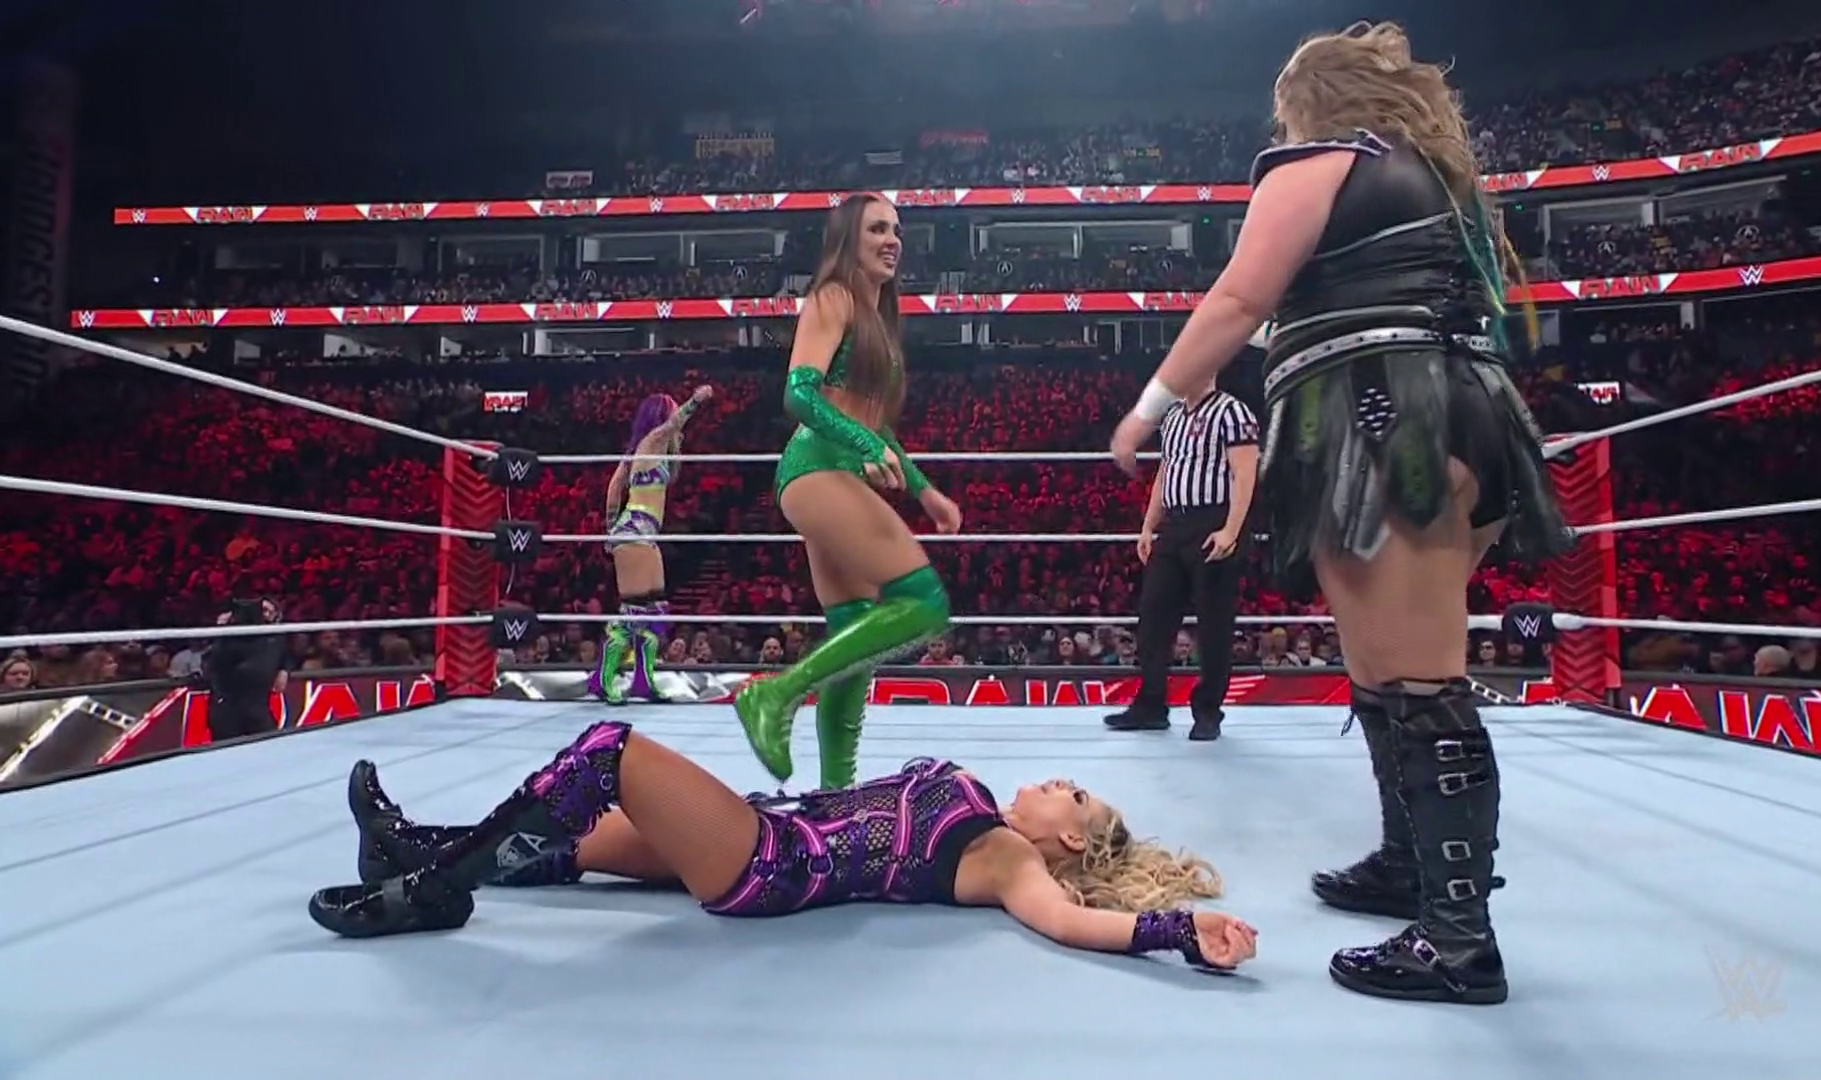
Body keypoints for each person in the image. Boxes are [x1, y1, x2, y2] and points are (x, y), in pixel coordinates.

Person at [1107, 22, 1573, 1006]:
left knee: (1420, 678)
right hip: (1459, 417)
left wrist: (1148, 408)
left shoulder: (1325, 161)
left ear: (1308, 101)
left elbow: (1238, 299)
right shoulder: (1438, 180)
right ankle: (1409, 866)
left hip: (1384, 420)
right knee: (1383, 667)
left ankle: (1459, 944)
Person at [306, 719, 1259, 974]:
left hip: (772, 861)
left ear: (1068, 839)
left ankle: (436, 891)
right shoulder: (991, 815)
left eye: (1075, 795)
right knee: (582, 843)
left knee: (608, 752)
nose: (1058, 782)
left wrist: (1177, 932)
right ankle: (405, 850)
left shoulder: (1006, 857)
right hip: (770, 821)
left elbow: (1063, 922)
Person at [732, 193, 964, 790]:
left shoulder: (876, 318)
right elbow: (799, 394)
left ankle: (837, 794)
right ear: (848, 241)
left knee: (855, 633)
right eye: (877, 229)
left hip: (834, 472)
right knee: (924, 602)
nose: (893, 240)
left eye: (897, 230)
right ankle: (776, 694)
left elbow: (875, 424)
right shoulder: (833, 297)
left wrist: (924, 491)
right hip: (816, 467)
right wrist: (863, 444)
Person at [1104, 376, 1259, 741]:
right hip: (1175, 525)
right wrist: (1148, 526)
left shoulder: (1233, 412)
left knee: (1214, 623)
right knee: (1153, 615)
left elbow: (1245, 472)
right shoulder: (1173, 416)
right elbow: (1166, 472)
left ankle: (1208, 711)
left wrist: (1231, 530)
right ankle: (1151, 705)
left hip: (1214, 520)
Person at [589, 384, 713, 704]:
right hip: (635, 530)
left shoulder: (639, 451)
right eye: (670, 410)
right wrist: (695, 401)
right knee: (634, 610)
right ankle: (602, 679)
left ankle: (644, 682)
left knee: (655, 610)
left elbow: (614, 487)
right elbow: (673, 425)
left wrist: (610, 529)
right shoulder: (652, 441)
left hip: (641, 532)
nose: (674, 417)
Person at [203, 596, 288, 742]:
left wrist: (284, 669)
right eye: (261, 610)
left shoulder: (276, 638)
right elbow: (213, 664)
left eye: (268, 611)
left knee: (271, 745)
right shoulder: (229, 638)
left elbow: (286, 655)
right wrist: (222, 631)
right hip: (228, 708)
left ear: (276, 615)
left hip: (258, 707)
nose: (264, 615)